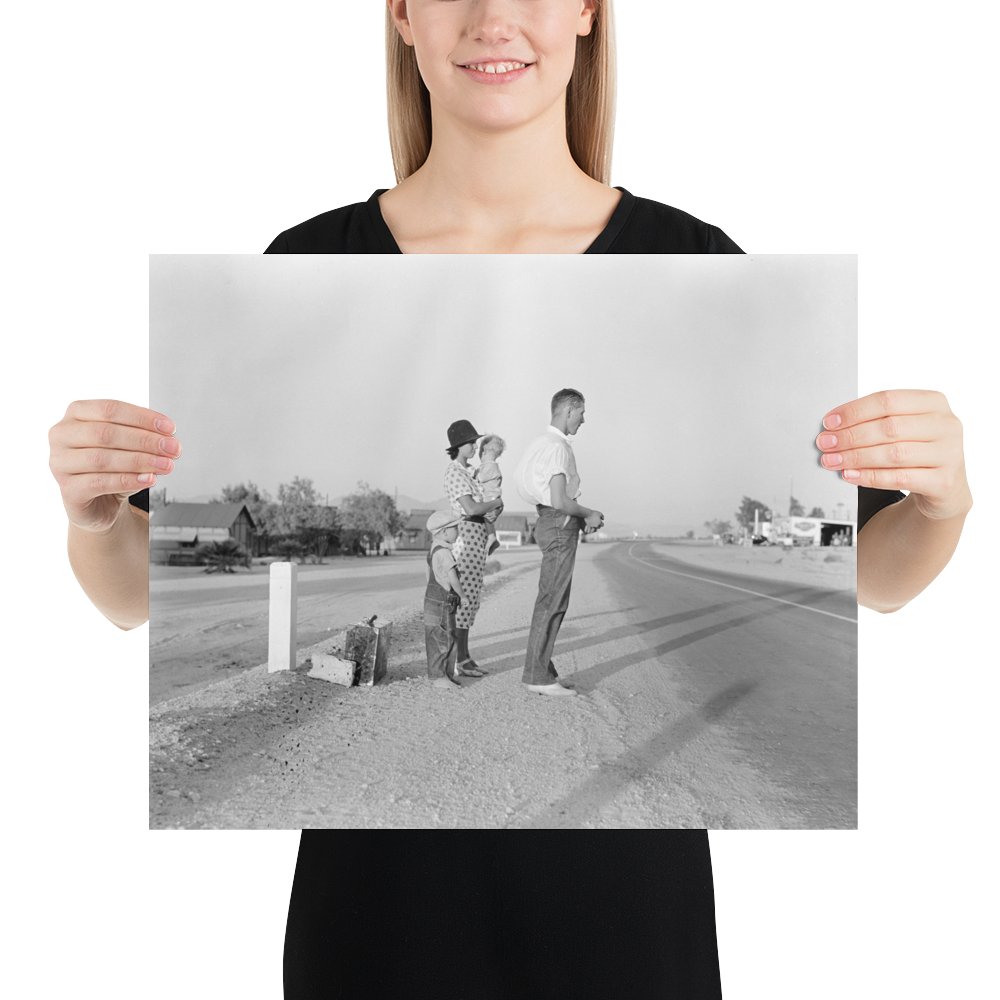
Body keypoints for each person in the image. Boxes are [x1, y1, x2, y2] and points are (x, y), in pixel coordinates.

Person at [46, 2, 972, 997]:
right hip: (372, 935)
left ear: (586, 13)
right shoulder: (305, 255)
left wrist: (942, 504)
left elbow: (874, 577)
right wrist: (91, 517)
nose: (495, 17)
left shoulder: (698, 252)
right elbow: (127, 597)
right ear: (401, 14)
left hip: (629, 939)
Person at [515, 388, 603, 696]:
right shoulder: (558, 447)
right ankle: (537, 676)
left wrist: (577, 517)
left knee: (550, 597)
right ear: (568, 411)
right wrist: (588, 513)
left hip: (549, 520)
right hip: (558, 520)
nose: (583, 419)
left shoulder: (541, 443)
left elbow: (539, 493)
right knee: (553, 599)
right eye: (581, 413)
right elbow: (559, 500)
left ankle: (543, 669)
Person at [443, 419, 504, 678]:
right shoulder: (455, 472)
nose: (474, 445)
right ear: (459, 445)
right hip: (466, 535)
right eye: (470, 442)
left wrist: (492, 509)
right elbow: (471, 508)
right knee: (464, 599)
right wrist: (496, 503)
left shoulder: (470, 472)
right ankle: (460, 659)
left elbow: (485, 506)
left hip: (477, 535)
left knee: (471, 599)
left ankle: (464, 656)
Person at [423, 510, 467, 690]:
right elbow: (452, 578)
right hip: (443, 601)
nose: (458, 531)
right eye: (455, 528)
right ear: (443, 532)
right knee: (445, 639)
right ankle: (440, 676)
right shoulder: (445, 554)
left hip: (432, 599)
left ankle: (444, 674)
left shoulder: (434, 549)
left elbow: (428, 573)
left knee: (437, 636)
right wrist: (463, 596)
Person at [475, 433, 506, 557]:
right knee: (487, 519)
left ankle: (492, 536)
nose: (481, 456)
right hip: (493, 498)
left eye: (483, 453)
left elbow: (480, 478)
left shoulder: (490, 466)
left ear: (487, 452)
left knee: (486, 517)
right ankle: (492, 537)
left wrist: (473, 473)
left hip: (491, 499)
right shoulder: (490, 466)